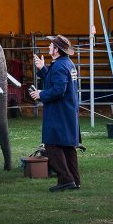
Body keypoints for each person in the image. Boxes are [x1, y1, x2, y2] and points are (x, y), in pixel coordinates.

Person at [29, 35, 81, 192]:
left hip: (59, 112)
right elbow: (55, 81)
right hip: (68, 111)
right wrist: (42, 69)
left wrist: (41, 94)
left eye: (51, 45)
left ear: (56, 50)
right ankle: (74, 180)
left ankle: (65, 179)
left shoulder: (59, 66)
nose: (49, 47)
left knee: (52, 144)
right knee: (67, 146)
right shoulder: (67, 64)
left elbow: (58, 90)